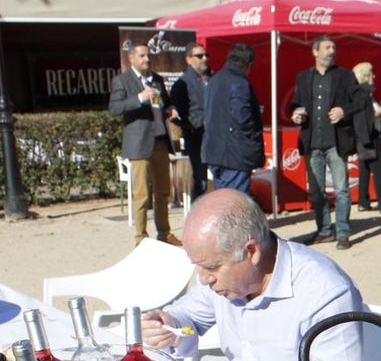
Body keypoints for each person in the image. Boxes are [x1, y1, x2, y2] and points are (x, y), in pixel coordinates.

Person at [141, 189, 370, 361]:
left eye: (211, 267)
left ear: (251, 251)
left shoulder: (323, 290)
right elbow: (188, 316)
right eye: (198, 266)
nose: (203, 280)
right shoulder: (222, 279)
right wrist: (169, 325)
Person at [289, 35, 363, 250]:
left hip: (336, 142)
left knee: (341, 190)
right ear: (315, 52)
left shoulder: (345, 75)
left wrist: (343, 111)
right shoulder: (303, 77)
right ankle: (324, 230)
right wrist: (295, 114)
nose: (331, 51)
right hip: (312, 142)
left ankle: (343, 232)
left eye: (333, 47)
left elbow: (360, 100)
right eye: (327, 47)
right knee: (316, 191)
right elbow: (295, 104)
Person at [108, 41, 181, 247]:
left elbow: (162, 103)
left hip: (159, 141)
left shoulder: (156, 79)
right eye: (142, 56)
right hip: (139, 144)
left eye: (148, 55)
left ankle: (164, 233)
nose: (147, 59)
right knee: (141, 194)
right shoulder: (122, 81)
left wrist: (169, 110)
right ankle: (140, 237)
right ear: (131, 58)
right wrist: (140, 98)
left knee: (163, 192)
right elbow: (114, 108)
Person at [202, 43, 264, 195]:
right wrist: (255, 137)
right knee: (234, 204)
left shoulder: (214, 79)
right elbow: (242, 117)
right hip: (234, 153)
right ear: (248, 65)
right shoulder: (239, 82)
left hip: (215, 151)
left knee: (224, 202)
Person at [351, 62, 381, 214]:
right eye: (372, 73)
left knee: (365, 168)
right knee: (378, 168)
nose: (374, 76)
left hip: (362, 135)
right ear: (366, 76)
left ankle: (363, 201)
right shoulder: (364, 94)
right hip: (369, 134)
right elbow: (367, 115)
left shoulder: (358, 93)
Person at [170, 42, 210, 200]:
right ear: (188, 59)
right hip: (196, 137)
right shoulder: (182, 84)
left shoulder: (213, 78)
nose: (204, 58)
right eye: (199, 56)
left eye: (206, 55)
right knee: (201, 180)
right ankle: (196, 214)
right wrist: (196, 123)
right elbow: (176, 116)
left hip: (216, 136)